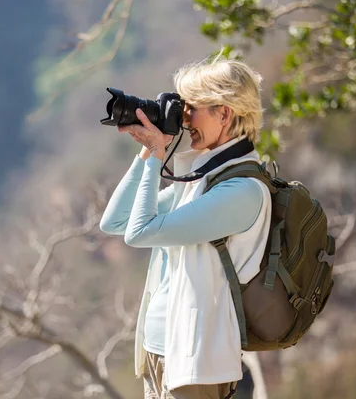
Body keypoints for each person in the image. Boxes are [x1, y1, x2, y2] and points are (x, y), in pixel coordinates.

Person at [99, 58, 271, 399]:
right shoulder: (201, 179)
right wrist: (148, 154)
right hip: (159, 350)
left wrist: (159, 151)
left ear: (224, 114)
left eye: (192, 108)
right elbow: (115, 221)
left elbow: (141, 232)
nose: (184, 118)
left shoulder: (241, 191)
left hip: (195, 363)